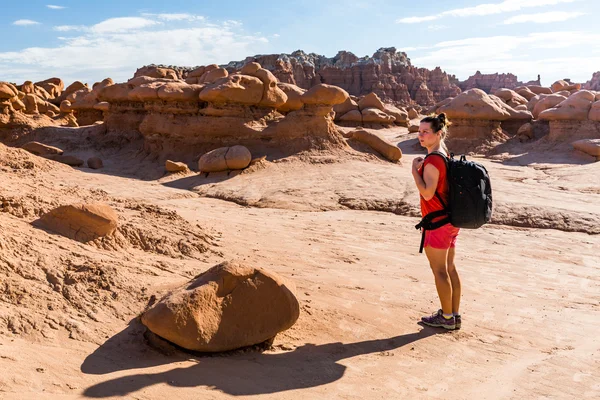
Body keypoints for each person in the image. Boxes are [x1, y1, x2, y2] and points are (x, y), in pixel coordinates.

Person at [411, 113, 461, 330]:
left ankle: (447, 318)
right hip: (450, 220)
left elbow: (428, 193)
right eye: (419, 131)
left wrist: (414, 170)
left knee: (440, 271)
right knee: (449, 268)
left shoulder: (432, 160)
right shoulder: (444, 154)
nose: (421, 136)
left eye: (426, 132)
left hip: (437, 222)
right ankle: (454, 315)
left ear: (438, 133)